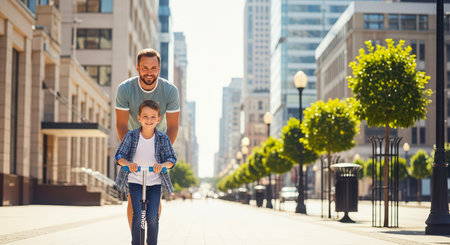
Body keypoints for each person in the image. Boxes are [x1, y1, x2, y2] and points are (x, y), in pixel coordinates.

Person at [115, 48, 180, 229]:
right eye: (145, 68)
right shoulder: (125, 89)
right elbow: (121, 125)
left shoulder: (170, 91)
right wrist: (129, 153)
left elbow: (173, 127)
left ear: (159, 69)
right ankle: (136, 238)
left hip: (158, 146)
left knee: (154, 196)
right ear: (137, 68)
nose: (149, 72)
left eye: (153, 68)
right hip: (132, 145)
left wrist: (162, 155)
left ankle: (150, 236)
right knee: (132, 198)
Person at [115, 100, 177, 245]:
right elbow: (119, 156)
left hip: (154, 183)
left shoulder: (163, 138)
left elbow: (172, 159)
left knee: (152, 217)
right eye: (145, 116)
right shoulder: (131, 136)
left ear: (158, 119)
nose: (149, 120)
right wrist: (128, 164)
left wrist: (162, 165)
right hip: (135, 181)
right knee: (137, 216)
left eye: (153, 117)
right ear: (139, 118)